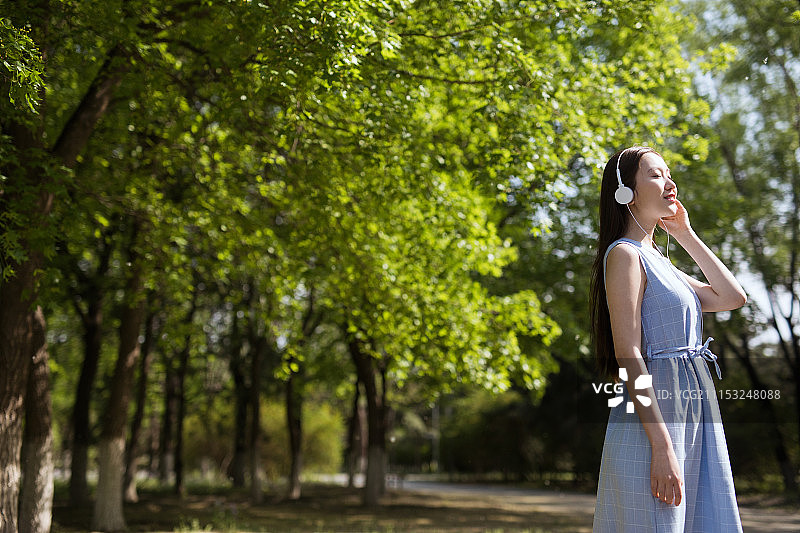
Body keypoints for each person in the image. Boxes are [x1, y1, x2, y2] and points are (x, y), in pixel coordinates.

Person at [590, 146, 747, 532]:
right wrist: (661, 447)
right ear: (626, 189)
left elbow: (731, 298)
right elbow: (628, 353)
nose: (670, 183)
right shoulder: (625, 256)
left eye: (668, 173)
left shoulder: (661, 260)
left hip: (692, 414)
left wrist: (686, 234)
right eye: (656, 174)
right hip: (654, 425)